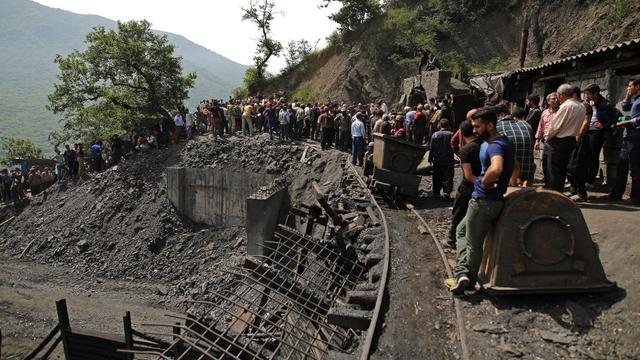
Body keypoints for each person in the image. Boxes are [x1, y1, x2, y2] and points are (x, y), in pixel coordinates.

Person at [449, 108, 514, 295]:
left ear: (490, 125)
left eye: (478, 126)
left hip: (484, 201)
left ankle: (467, 277)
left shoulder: (495, 145)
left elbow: (497, 167)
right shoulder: (502, 142)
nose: (474, 130)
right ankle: (464, 272)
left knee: (472, 241)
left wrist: (485, 181)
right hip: (487, 200)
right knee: (462, 231)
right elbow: (514, 165)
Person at [545, 84, 586, 193]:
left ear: (561, 95)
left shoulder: (566, 106)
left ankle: (554, 194)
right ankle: (558, 193)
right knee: (562, 170)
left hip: (558, 141)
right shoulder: (581, 106)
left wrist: (547, 137)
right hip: (571, 140)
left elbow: (555, 126)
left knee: (553, 171)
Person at [449, 120, 482, 247]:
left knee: (458, 213)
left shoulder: (466, 150)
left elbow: (468, 176)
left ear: (461, 134)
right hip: (482, 184)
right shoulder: (485, 145)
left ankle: (452, 239)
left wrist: (479, 185)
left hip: (468, 188)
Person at [610, 75, 640, 205]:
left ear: (638, 87)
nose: (628, 88)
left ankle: (636, 198)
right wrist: (628, 95)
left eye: (630, 86)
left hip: (636, 139)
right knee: (621, 166)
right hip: (628, 138)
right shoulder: (636, 100)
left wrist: (627, 122)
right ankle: (616, 195)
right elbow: (625, 107)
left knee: (636, 169)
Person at [583, 84, 619, 185]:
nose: (586, 96)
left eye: (588, 94)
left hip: (596, 133)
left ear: (596, 93)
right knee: (584, 155)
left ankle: (590, 180)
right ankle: (584, 178)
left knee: (593, 156)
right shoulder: (587, 103)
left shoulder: (605, 104)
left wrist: (604, 125)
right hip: (585, 131)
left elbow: (616, 117)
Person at [496, 106, 534, 185]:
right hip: (528, 173)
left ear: (501, 115)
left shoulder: (497, 126)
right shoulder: (526, 124)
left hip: (509, 176)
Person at [535, 93, 559, 187]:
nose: (556, 100)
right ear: (548, 101)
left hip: (557, 140)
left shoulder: (561, 112)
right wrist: (537, 140)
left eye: (557, 99)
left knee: (554, 164)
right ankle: (547, 183)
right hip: (546, 141)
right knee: (545, 163)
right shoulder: (544, 112)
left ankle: (554, 185)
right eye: (553, 99)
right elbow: (541, 126)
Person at [429, 119, 455, 199]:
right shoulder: (451, 134)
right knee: (448, 176)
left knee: (437, 175)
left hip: (437, 159)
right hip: (448, 159)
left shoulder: (435, 135)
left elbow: (432, 148)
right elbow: (454, 146)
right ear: (448, 126)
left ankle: (436, 192)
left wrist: (430, 158)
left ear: (440, 125)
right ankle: (446, 192)